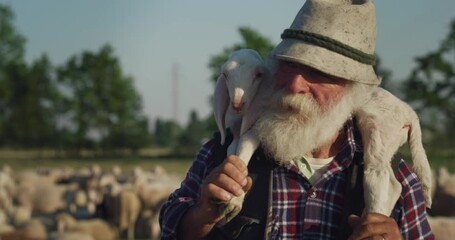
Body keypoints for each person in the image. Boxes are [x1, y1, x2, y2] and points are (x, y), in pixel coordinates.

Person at [159, 0, 434, 239]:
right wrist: (200, 216)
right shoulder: (220, 154)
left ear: (353, 91)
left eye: (318, 72)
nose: (294, 85)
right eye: (288, 64)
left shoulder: (397, 178)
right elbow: (171, 226)